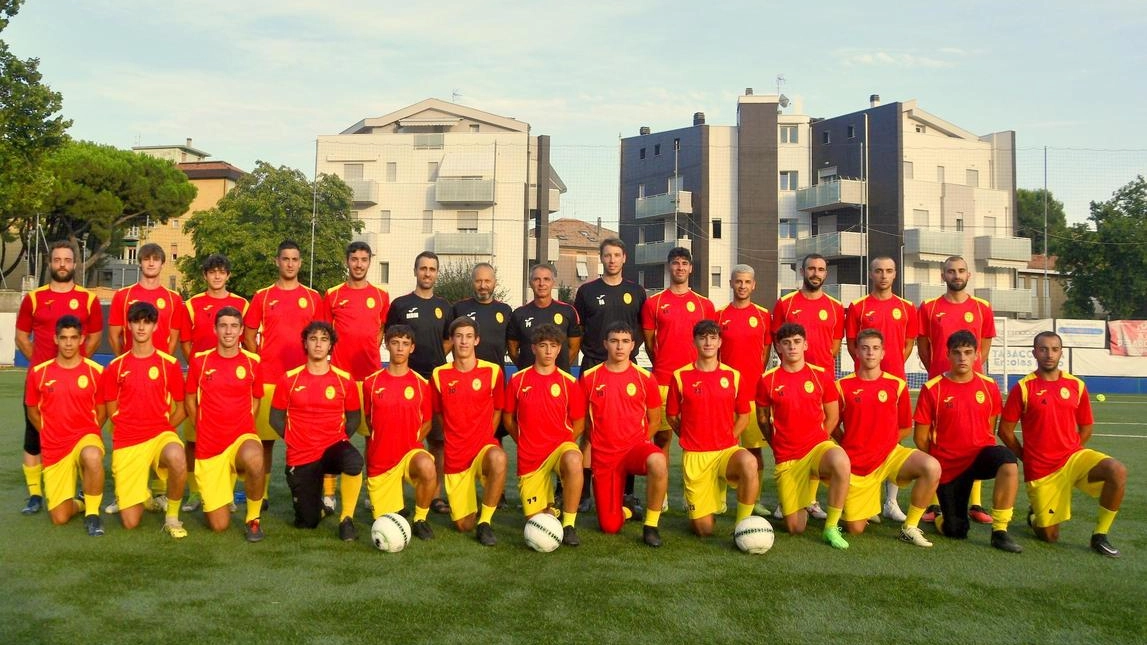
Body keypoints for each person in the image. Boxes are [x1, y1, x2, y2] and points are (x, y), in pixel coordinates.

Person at [998, 331, 1127, 557]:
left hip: (1073, 459)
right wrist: (1026, 458)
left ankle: (1100, 535)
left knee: (1116, 470)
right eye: (1043, 349)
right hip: (1042, 469)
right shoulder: (1024, 387)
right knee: (1050, 536)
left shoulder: (1076, 385)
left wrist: (1068, 449)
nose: (1049, 354)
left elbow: (1086, 427)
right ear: (1034, 353)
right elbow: (1005, 431)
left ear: (1061, 353)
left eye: (1055, 349)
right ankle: (1035, 517)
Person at [913, 330, 1021, 553]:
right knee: (956, 531)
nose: (962, 357)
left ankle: (1000, 531)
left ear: (977, 355)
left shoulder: (989, 386)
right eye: (957, 352)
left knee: (1008, 461)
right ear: (948, 355)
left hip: (979, 457)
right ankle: (943, 514)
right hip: (950, 467)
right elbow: (921, 438)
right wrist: (938, 464)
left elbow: (990, 427)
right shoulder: (933, 389)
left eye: (968, 352)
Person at [15, 240, 103, 515]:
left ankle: (75, 486)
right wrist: (43, 367)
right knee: (34, 436)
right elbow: (21, 337)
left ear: (74, 264)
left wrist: (73, 363)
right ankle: (34, 494)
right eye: (57, 260)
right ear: (50, 263)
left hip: (76, 384)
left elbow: (96, 336)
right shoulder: (33, 298)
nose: (62, 264)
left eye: (67, 260)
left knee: (78, 434)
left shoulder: (88, 298)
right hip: (42, 383)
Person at [833, 329, 940, 547]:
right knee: (855, 529)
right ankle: (865, 507)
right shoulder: (842, 386)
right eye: (864, 348)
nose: (870, 353)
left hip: (891, 456)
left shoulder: (897, 385)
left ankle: (909, 527)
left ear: (883, 353)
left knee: (931, 466)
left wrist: (884, 445)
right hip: (859, 463)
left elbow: (904, 427)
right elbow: (833, 424)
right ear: (856, 352)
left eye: (875, 348)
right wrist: (848, 444)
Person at [916, 255, 996, 524]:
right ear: (943, 275)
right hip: (940, 384)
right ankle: (935, 501)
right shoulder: (929, 307)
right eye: (951, 271)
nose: (956, 275)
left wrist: (974, 366)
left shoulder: (982, 307)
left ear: (969, 275)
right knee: (935, 439)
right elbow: (924, 346)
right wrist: (938, 368)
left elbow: (984, 344)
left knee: (976, 437)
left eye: (961, 271)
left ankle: (976, 503)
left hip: (973, 385)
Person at [245, 240, 324, 511]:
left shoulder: (313, 297)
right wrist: (261, 358)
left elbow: (321, 335)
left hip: (305, 381)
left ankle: (308, 492)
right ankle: (262, 494)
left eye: (294, 259)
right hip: (269, 379)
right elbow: (248, 333)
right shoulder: (263, 296)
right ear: (277, 261)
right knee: (264, 442)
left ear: (300, 263)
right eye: (285, 259)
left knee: (307, 442)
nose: (290, 264)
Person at [756, 323, 851, 549]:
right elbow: (762, 419)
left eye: (797, 342)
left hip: (817, 448)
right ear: (778, 347)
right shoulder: (767, 380)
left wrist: (817, 441)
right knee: (795, 528)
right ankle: (804, 499)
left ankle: (831, 527)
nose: (792, 347)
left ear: (805, 344)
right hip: (788, 457)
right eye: (786, 343)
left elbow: (832, 416)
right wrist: (776, 444)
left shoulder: (821, 376)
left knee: (841, 462)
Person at [101, 302, 189, 538]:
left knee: (177, 456)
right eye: (136, 322)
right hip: (128, 442)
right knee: (130, 522)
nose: (141, 327)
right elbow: (111, 410)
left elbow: (183, 408)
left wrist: (164, 428)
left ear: (155, 325)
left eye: (147, 322)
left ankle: (172, 518)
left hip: (160, 435)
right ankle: (144, 495)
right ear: (128, 325)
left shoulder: (168, 364)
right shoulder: (115, 367)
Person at [270, 321, 363, 541]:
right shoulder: (289, 379)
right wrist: (294, 439)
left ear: (331, 345)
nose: (318, 344)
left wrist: (339, 439)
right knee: (306, 523)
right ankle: (320, 506)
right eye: (313, 339)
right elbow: (275, 418)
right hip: (301, 455)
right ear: (305, 343)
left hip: (331, 448)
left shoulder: (344, 380)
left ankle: (346, 519)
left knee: (353, 462)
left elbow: (354, 417)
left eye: (324, 339)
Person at [666, 320, 760, 538]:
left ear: (720, 342)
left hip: (726, 452)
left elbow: (744, 416)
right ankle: (705, 505)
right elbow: (672, 416)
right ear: (694, 341)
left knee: (749, 462)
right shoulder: (680, 376)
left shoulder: (733, 376)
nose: (708, 342)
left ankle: (742, 526)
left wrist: (729, 437)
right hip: (696, 456)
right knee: (703, 530)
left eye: (713, 338)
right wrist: (690, 435)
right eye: (703, 337)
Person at [573, 238, 646, 514]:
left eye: (617, 255)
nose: (612, 260)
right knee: (589, 431)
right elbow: (578, 330)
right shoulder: (587, 292)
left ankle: (628, 493)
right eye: (607, 255)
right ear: (601, 259)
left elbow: (643, 328)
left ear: (624, 258)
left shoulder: (636, 291)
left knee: (628, 432)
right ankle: (583, 492)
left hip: (626, 369)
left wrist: (629, 352)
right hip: (593, 365)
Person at [843, 256, 919, 522]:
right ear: (871, 274)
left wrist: (892, 365)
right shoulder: (858, 307)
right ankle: (868, 497)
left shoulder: (907, 307)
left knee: (893, 439)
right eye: (878, 271)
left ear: (895, 274)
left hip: (893, 381)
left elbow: (908, 343)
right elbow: (853, 344)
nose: (883, 275)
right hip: (864, 383)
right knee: (862, 438)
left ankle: (891, 501)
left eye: (888, 271)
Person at [580, 322, 668, 547]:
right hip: (605, 456)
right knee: (610, 527)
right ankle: (628, 510)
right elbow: (585, 422)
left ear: (633, 346)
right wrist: (597, 445)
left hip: (634, 449)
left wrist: (640, 441)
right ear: (605, 344)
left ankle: (651, 525)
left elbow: (655, 419)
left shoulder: (644, 377)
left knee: (658, 460)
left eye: (625, 341)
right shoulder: (590, 378)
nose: (620, 346)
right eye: (614, 341)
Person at [184, 306, 266, 541]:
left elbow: (256, 398)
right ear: (215, 329)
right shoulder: (200, 361)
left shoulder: (253, 362)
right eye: (223, 326)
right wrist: (201, 428)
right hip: (210, 446)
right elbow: (190, 399)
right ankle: (222, 491)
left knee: (254, 456)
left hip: (241, 437)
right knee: (219, 525)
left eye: (233, 326)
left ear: (241, 330)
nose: (228, 331)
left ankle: (253, 519)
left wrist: (246, 423)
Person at [503, 323, 587, 546]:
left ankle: (569, 525)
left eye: (553, 346)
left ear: (560, 349)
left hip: (560, 448)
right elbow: (508, 418)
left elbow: (579, 421)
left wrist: (567, 443)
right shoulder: (518, 380)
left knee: (574, 458)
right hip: (531, 455)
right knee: (537, 521)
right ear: (533, 348)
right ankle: (550, 508)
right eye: (543, 345)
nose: (548, 351)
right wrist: (521, 441)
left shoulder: (569, 382)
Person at [322, 241, 391, 512]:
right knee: (333, 436)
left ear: (369, 262)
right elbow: (325, 332)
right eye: (354, 259)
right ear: (347, 261)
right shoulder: (333, 294)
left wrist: (373, 345)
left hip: (372, 377)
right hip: (340, 378)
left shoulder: (381, 296)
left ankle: (372, 492)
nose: (359, 264)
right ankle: (328, 493)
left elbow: (382, 328)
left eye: (364, 259)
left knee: (373, 438)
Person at [179, 253, 249, 513]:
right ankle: (194, 493)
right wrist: (202, 369)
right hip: (201, 381)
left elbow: (247, 339)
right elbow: (185, 341)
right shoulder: (192, 303)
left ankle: (226, 493)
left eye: (221, 272)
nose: (217, 276)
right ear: (205, 276)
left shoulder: (241, 303)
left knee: (231, 438)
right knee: (193, 439)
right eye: (212, 272)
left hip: (232, 385)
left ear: (228, 275)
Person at [24, 315, 106, 535]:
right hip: (54, 447)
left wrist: (90, 431)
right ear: (55, 339)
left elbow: (102, 411)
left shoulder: (95, 371)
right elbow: (32, 410)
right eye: (64, 338)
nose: (68, 343)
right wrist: (49, 433)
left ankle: (93, 514)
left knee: (92, 455)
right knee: (59, 517)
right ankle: (81, 503)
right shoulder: (39, 373)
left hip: (84, 437)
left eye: (73, 338)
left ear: (81, 339)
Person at [431, 317, 508, 546]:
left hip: (483, 448)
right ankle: (471, 508)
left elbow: (498, 409)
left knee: (498, 457)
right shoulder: (438, 375)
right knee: (464, 526)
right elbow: (438, 414)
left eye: (468, 336)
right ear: (452, 340)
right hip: (456, 455)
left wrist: (486, 436)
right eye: (459, 336)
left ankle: (485, 522)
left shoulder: (493, 371)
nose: (463, 342)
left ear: (477, 340)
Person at [386, 251, 453, 515]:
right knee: (400, 438)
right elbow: (390, 336)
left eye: (432, 269)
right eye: (423, 268)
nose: (427, 273)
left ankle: (435, 495)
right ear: (415, 271)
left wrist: (437, 354)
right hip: (405, 380)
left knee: (437, 440)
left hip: (434, 380)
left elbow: (449, 339)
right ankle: (396, 494)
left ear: (436, 273)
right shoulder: (401, 304)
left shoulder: (445, 307)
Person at [361, 325, 437, 541]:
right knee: (385, 523)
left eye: (405, 344)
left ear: (412, 348)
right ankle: (396, 504)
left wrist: (411, 442)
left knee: (426, 465)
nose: (400, 348)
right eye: (395, 343)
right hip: (381, 460)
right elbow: (369, 418)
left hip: (409, 454)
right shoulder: (370, 383)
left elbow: (428, 422)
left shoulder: (422, 384)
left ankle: (420, 518)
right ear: (387, 345)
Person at [641, 246, 716, 455]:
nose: (680, 267)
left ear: (691, 268)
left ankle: (697, 485)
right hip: (664, 380)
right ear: (669, 267)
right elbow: (649, 343)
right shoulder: (653, 304)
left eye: (684, 263)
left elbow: (710, 344)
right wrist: (662, 362)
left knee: (697, 437)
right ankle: (661, 489)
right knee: (662, 439)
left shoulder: (705, 305)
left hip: (696, 380)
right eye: (675, 263)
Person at [451, 262, 514, 509]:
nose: (483, 285)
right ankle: (462, 483)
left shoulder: (505, 310)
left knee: (495, 436)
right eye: (478, 281)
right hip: (465, 382)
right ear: (472, 282)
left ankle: (495, 492)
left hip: (494, 383)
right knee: (461, 435)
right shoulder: (460, 308)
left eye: (487, 281)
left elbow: (512, 345)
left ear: (494, 282)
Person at [715, 264, 772, 515]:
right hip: (723, 397)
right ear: (731, 283)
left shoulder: (763, 316)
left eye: (747, 282)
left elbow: (764, 353)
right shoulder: (718, 316)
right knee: (719, 449)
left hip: (752, 396)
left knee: (754, 451)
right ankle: (718, 498)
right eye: (738, 281)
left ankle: (754, 498)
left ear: (754, 285)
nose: (742, 286)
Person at [108, 242, 188, 356]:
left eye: (155, 259)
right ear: (140, 263)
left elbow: (174, 339)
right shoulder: (122, 295)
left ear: (162, 264)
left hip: (160, 367)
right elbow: (113, 336)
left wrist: (164, 363)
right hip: (130, 367)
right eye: (146, 259)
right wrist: (124, 361)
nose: (151, 263)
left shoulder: (174, 298)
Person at [508, 263, 582, 373]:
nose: (541, 283)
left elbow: (574, 348)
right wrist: (526, 368)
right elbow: (512, 350)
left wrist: (556, 369)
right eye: (537, 279)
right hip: (529, 379)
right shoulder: (519, 314)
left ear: (553, 282)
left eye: (546, 279)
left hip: (559, 379)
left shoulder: (568, 311)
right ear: (530, 283)